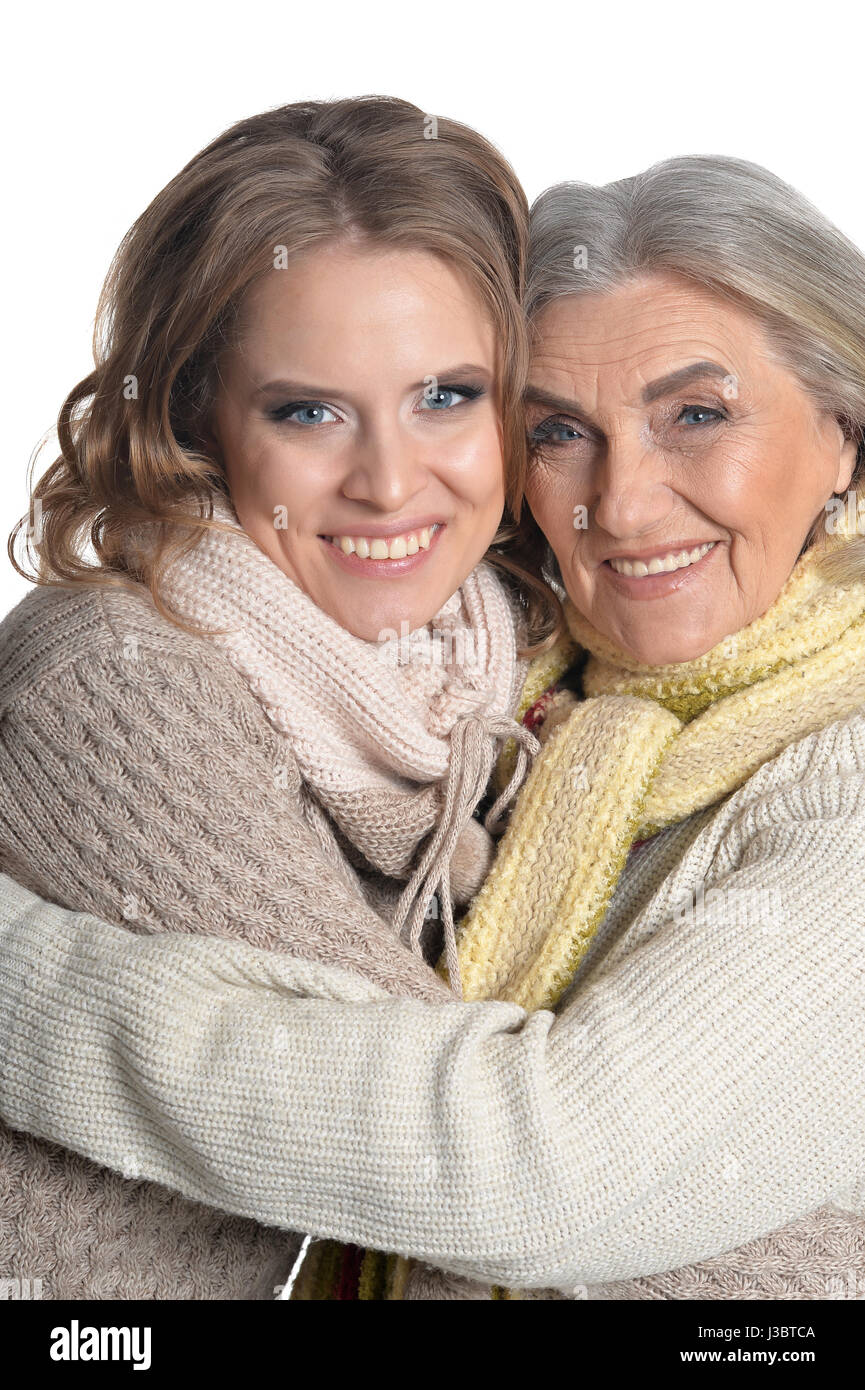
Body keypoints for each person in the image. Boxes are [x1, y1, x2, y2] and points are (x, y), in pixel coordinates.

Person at [3, 151, 865, 1301]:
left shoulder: (833, 780)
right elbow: (521, 1177)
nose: (619, 502)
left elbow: (530, 1179)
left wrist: (23, 987)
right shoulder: (493, 702)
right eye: (558, 431)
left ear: (846, 436)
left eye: (696, 416)